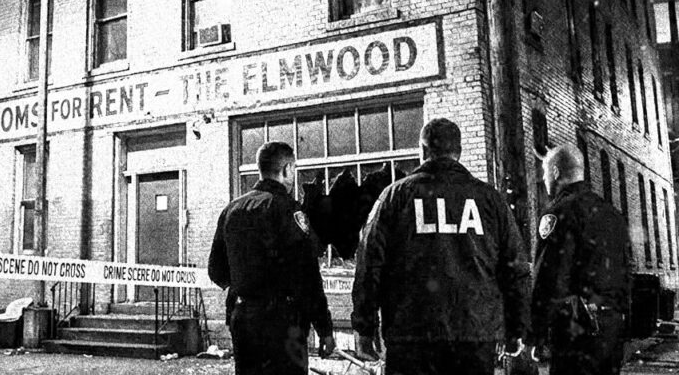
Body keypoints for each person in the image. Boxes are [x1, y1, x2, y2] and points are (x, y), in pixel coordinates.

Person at [351, 118, 531, 375]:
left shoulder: (395, 197)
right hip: (474, 334)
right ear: (459, 152)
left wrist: (364, 327)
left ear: (423, 151)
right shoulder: (490, 200)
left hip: (411, 334)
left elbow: (369, 265)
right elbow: (515, 268)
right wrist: (517, 326)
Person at [208, 141, 336, 375]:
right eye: (294, 169)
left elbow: (216, 271)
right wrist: (324, 328)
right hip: (284, 323)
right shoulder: (289, 210)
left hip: (243, 318)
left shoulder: (231, 210)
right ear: (287, 169)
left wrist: (243, 283)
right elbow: (307, 275)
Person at [530, 144, 631, 375]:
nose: (544, 179)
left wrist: (536, 334)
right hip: (612, 330)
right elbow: (626, 274)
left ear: (555, 173)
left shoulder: (558, 213)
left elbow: (548, 279)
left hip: (575, 332)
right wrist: (625, 330)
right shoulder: (611, 213)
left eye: (545, 173)